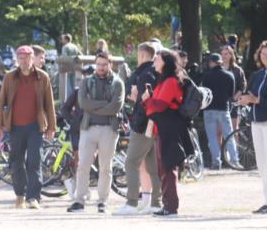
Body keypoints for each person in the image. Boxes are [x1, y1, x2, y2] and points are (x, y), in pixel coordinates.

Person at [0, 45, 57, 210]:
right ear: (17, 59)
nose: (23, 61)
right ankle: (20, 196)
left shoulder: (42, 77)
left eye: (26, 58)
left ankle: (33, 198)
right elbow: (1, 102)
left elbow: (49, 104)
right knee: (16, 163)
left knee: (34, 161)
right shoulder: (10, 77)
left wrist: (51, 127)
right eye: (20, 58)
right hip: (15, 127)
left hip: (35, 127)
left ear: (32, 59)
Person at [67, 51, 125, 214]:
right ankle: (79, 200)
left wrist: (95, 107)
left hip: (109, 129)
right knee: (83, 165)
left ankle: (102, 202)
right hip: (88, 128)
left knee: (105, 167)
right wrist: (103, 105)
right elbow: (83, 103)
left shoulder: (118, 83)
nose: (101, 67)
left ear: (110, 65)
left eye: (104, 64)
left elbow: (115, 107)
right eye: (98, 64)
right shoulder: (87, 81)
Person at [142, 50, 193, 217]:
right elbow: (156, 105)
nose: (154, 61)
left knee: (167, 167)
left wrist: (146, 100)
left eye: (157, 59)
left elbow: (159, 106)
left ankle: (171, 207)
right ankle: (168, 205)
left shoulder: (170, 81)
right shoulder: (163, 80)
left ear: (165, 62)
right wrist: (149, 100)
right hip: (162, 128)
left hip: (169, 128)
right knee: (163, 168)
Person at [238, 41, 267, 213]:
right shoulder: (258, 75)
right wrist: (247, 100)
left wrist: (259, 101)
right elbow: (252, 95)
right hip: (256, 122)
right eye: (263, 54)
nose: (265, 57)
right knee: (262, 163)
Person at [115, 42, 162, 215]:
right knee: (152, 166)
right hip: (153, 124)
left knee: (131, 162)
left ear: (142, 55)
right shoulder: (155, 73)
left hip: (143, 124)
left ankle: (132, 202)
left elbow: (144, 101)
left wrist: (135, 97)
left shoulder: (145, 74)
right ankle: (156, 202)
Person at [200, 52, 237, 170]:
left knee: (212, 137)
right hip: (224, 108)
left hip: (209, 109)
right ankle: (234, 161)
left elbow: (204, 92)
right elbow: (231, 94)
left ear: (212, 62)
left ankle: (216, 162)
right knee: (229, 135)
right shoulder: (229, 75)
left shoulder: (206, 76)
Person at [220, 44, 246, 132]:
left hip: (232, 104)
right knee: (220, 130)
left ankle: (236, 146)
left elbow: (242, 87)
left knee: (233, 130)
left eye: (226, 54)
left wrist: (234, 99)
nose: (224, 56)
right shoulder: (218, 69)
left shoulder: (237, 70)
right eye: (222, 54)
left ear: (231, 55)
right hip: (220, 104)